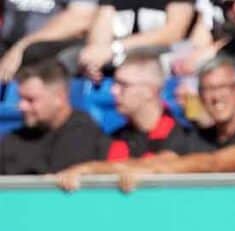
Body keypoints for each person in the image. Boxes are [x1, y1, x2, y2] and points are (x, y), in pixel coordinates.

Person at [58, 55, 235, 191]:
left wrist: (151, 172)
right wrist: (90, 170)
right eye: (207, 89)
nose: (214, 97)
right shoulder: (195, 135)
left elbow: (220, 162)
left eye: (221, 87)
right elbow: (161, 161)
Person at [55, 51, 202, 188]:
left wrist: (92, 169)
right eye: (115, 84)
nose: (113, 91)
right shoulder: (113, 136)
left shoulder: (182, 134)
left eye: (123, 85)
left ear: (150, 91)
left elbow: (163, 163)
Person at [0, 60, 109, 174]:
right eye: (21, 99)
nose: (21, 106)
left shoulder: (83, 134)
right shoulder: (14, 139)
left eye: (30, 100)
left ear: (59, 98)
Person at [77, 0, 195, 82]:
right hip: (119, 61)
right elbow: (102, 28)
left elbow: (173, 32)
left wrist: (115, 48)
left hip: (162, 63)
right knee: (73, 59)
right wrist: (94, 59)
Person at [0, 0, 98, 81]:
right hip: (8, 42)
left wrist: (22, 45)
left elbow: (81, 18)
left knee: (32, 51)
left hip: (50, 45)